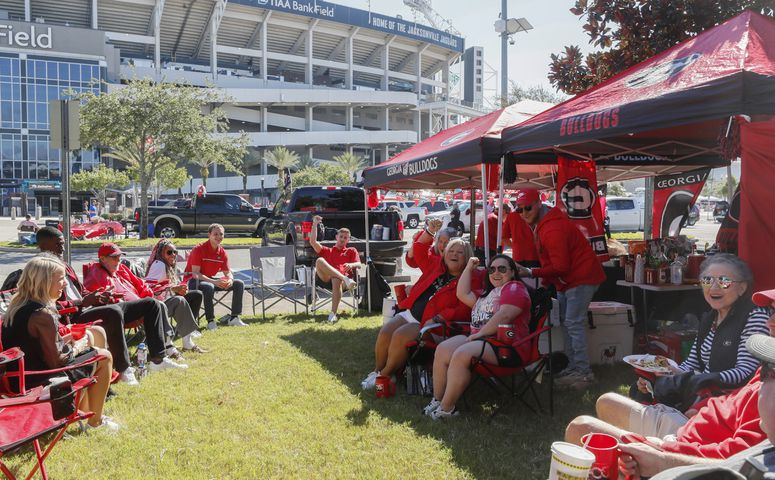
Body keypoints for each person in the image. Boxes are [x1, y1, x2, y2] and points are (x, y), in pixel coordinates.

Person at [35, 227, 176, 385]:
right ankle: (123, 369)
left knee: (151, 304)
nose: (62, 247)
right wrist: (81, 302)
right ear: (43, 245)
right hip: (72, 316)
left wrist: (99, 295)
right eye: (58, 244)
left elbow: (81, 291)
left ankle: (158, 359)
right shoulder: (40, 269)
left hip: (86, 307)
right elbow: (43, 306)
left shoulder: (65, 265)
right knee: (114, 311)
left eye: (63, 243)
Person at [632, 254, 769, 415]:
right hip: (704, 393)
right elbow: (692, 364)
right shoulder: (710, 317)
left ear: (742, 288)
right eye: (707, 280)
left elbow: (744, 373)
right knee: (644, 387)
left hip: (733, 398)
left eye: (724, 281)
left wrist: (693, 381)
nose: (714, 288)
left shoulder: (755, 316)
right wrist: (667, 373)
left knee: (665, 405)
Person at [1, 255, 119, 431]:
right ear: (44, 282)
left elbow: (32, 346)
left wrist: (66, 341)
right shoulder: (42, 314)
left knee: (91, 346)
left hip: (19, 378)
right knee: (103, 356)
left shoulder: (17, 307)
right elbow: (57, 362)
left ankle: (85, 412)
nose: (64, 284)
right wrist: (79, 345)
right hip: (38, 381)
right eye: (61, 279)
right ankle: (96, 422)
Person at [361, 227, 481, 392]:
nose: (453, 254)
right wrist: (430, 232)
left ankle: (385, 375)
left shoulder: (471, 278)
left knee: (400, 336)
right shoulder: (437, 265)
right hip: (412, 313)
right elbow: (418, 249)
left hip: (433, 323)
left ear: (466, 257)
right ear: (444, 254)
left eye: (459, 252)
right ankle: (377, 371)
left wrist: (439, 317)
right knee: (385, 332)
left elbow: (465, 309)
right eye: (450, 250)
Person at [513, 188, 606, 389]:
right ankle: (574, 367)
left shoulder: (551, 228)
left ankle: (584, 373)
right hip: (570, 280)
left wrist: (530, 273)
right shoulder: (545, 223)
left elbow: (561, 266)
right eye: (518, 210)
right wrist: (548, 282)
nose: (523, 213)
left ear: (538, 204)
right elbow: (556, 264)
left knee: (572, 322)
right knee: (567, 322)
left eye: (527, 208)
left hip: (580, 279)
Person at [647, 333, 775, 479]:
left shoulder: (762, 456)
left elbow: (731, 457)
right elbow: (736, 395)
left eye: (767, 372)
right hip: (687, 427)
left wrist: (664, 451)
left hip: (682, 446)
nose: (769, 321)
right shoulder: (710, 320)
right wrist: (701, 405)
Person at [424, 254, 531, 419]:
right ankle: (437, 400)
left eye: (502, 269)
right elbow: (462, 293)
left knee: (462, 354)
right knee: (443, 349)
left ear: (512, 272)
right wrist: (468, 268)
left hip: (507, 346)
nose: (496, 273)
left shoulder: (514, 288)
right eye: (492, 269)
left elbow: (505, 315)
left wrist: (480, 334)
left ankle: (446, 409)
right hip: (482, 340)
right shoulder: (486, 295)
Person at [82, 242, 189, 372]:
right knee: (154, 304)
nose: (118, 260)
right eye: (114, 257)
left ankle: (162, 355)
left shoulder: (121, 269)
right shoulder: (96, 272)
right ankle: (163, 354)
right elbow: (96, 296)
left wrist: (147, 295)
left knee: (159, 304)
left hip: (137, 306)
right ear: (102, 258)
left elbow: (141, 284)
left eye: (119, 257)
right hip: (117, 311)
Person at [145, 239, 208, 354]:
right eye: (169, 252)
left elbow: (168, 286)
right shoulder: (159, 265)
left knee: (195, 295)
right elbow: (149, 287)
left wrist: (180, 288)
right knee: (179, 300)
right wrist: (173, 289)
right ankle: (185, 342)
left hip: (165, 300)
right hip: (155, 307)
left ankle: (186, 336)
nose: (173, 255)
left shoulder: (168, 265)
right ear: (161, 253)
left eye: (175, 252)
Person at [184, 223, 245, 329]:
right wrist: (215, 282)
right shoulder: (198, 249)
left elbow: (228, 272)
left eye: (221, 234)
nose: (219, 237)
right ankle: (211, 322)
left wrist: (230, 279)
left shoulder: (222, 252)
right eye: (215, 234)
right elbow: (195, 274)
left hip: (209, 280)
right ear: (209, 235)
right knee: (209, 287)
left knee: (239, 283)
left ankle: (234, 318)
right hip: (193, 281)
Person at [309, 216, 361, 323]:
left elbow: (359, 264)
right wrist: (314, 224)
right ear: (336, 237)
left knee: (336, 279)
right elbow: (313, 242)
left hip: (343, 283)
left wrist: (351, 265)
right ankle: (343, 278)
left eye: (345, 237)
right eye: (341, 236)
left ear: (348, 239)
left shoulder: (351, 250)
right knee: (319, 260)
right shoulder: (327, 251)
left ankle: (333, 314)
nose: (342, 239)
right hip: (326, 280)